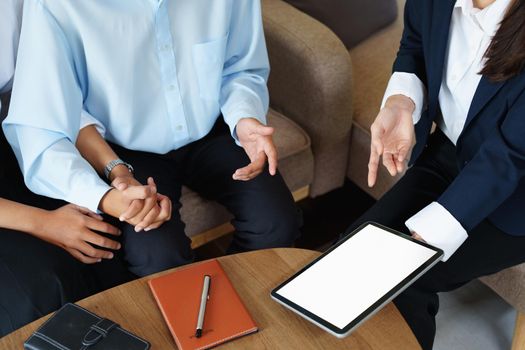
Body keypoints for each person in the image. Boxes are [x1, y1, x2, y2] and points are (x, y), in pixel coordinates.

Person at [4, 0, 301, 278]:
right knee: (157, 259)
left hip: (213, 126)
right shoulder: (56, 6)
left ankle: (246, 314)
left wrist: (245, 117)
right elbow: (41, 129)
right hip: (122, 147)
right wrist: (104, 194)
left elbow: (240, 66)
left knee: (277, 224)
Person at [344, 0, 525, 348]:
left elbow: (509, 156)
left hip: (514, 193)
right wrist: (402, 100)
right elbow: (414, 41)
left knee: (405, 282)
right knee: (352, 252)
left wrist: (429, 235)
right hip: (448, 154)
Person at [0, 0, 162, 336]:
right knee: (42, 285)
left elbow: (43, 98)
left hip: (12, 139)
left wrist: (115, 173)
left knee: (103, 239)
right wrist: (43, 223)